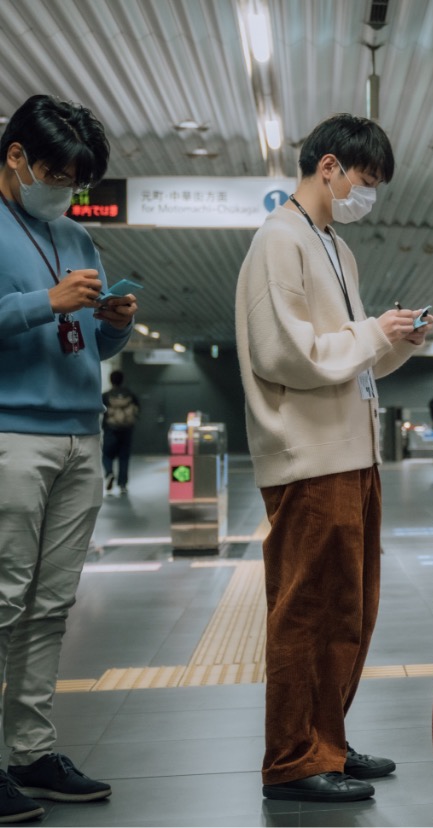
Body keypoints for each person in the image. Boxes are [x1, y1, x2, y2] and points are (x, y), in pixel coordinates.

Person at [236, 114, 431, 803]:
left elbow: (350, 355)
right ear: (328, 166)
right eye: (363, 180)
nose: (365, 194)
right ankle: (293, 758)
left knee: (350, 609)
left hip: (352, 450)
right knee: (307, 609)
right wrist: (372, 332)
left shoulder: (334, 249)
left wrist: (395, 338)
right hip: (309, 456)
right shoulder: (278, 242)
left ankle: (329, 741)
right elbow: (289, 353)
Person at [0, 94, 129, 820]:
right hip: (11, 434)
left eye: (77, 180)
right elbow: (33, 315)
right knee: (1, 599)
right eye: (55, 172)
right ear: (16, 155)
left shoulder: (77, 237)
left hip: (81, 433)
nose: (66, 190)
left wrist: (113, 324)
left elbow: (94, 346)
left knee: (50, 606)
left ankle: (31, 750)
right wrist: (44, 302)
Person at [102, 370, 140, 495]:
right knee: (124, 457)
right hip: (127, 430)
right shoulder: (130, 394)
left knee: (107, 455)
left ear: (111, 380)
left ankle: (109, 473)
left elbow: (101, 412)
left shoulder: (106, 395)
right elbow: (137, 410)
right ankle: (123, 484)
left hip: (110, 429)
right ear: (122, 380)